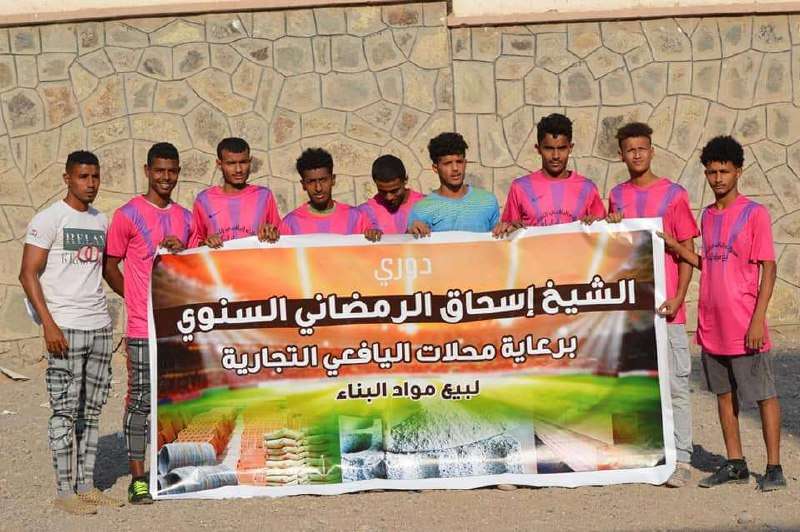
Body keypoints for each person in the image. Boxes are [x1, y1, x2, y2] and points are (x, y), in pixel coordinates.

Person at [660, 136, 785, 491]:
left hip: (745, 325)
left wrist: (758, 319)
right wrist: (674, 246)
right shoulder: (708, 216)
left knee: (763, 394)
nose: (717, 178)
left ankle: (774, 467)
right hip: (712, 324)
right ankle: (735, 463)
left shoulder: (754, 213)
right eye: (711, 172)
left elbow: (769, 268)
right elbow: (710, 263)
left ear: (738, 172)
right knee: (723, 394)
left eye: (724, 171)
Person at [19, 151, 123, 514]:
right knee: (64, 411)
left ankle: (86, 486)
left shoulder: (101, 220)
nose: (90, 183)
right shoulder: (49, 218)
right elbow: (27, 273)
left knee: (91, 412)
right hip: (64, 328)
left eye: (95, 176)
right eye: (83, 176)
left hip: (98, 327)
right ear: (67, 178)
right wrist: (48, 323)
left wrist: (140, 300)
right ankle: (65, 492)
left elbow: (107, 270)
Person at [607, 122, 699, 488]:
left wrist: (679, 297)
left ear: (652, 150)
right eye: (630, 149)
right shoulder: (616, 195)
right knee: (635, 384)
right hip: (633, 310)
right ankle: (641, 454)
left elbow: (688, 252)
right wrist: (610, 224)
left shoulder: (674, 195)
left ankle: (683, 457)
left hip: (667, 309)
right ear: (621, 155)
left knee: (676, 385)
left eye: (642, 148)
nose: (637, 155)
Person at [103, 142, 192, 504]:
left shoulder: (186, 218)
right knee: (140, 400)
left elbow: (196, 265)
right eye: (159, 170)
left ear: (178, 173)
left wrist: (182, 252)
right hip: (142, 328)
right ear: (147, 171)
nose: (165, 177)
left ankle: (171, 467)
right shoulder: (127, 214)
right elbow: (110, 265)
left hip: (176, 328)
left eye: (171, 171)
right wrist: (135, 298)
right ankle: (138, 478)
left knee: (176, 398)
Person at [500, 113, 605, 229]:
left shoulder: (587, 188)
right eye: (549, 148)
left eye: (562, 148)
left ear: (570, 148)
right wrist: (507, 229)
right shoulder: (519, 188)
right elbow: (508, 232)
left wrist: (595, 223)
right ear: (538, 149)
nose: (555, 156)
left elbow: (602, 233)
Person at [407, 132, 504, 236]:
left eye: (459, 162)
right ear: (435, 168)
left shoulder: (488, 201)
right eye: (447, 163)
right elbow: (412, 243)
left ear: (465, 163)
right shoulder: (422, 209)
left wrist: (506, 230)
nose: (455, 168)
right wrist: (411, 232)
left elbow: (497, 239)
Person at [189, 137, 280, 247]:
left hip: (256, 258)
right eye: (231, 163)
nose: (238, 170)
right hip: (217, 259)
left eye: (243, 162)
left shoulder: (264, 196)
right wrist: (206, 242)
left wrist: (272, 232)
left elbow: (280, 238)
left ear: (250, 161)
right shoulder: (204, 200)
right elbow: (194, 245)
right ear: (219, 164)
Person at [279, 148, 374, 237]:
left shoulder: (356, 218)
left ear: (333, 180)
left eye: (323, 180)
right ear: (303, 184)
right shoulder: (290, 224)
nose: (318, 188)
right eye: (311, 182)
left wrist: (375, 236)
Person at [358, 154, 424, 238]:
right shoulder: (365, 212)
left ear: (405, 180)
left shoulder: (426, 205)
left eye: (394, 191)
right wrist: (369, 235)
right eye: (382, 191)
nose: (389, 197)